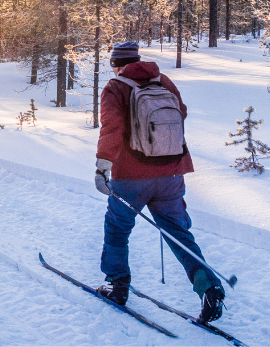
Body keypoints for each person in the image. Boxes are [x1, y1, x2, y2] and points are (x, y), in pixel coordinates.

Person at [93, 41, 225, 323]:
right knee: (178, 233)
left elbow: (112, 127)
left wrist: (103, 165)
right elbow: (181, 113)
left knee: (117, 229)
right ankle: (209, 287)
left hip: (131, 176)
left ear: (116, 65)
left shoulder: (115, 87)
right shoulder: (163, 81)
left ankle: (117, 285)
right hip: (171, 173)